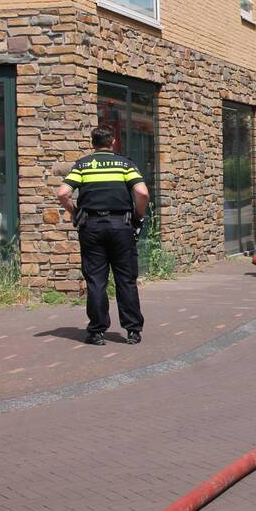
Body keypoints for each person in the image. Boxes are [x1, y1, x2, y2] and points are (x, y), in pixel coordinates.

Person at [56, 126, 150, 346]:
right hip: (121, 227)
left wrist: (76, 212)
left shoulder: (83, 165)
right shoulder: (125, 164)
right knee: (125, 279)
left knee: (96, 280)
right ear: (113, 142)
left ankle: (97, 332)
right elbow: (142, 193)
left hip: (91, 228)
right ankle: (132, 331)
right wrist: (138, 216)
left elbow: (62, 193)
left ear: (93, 143)